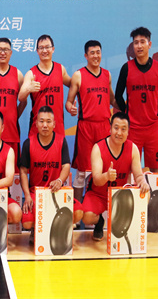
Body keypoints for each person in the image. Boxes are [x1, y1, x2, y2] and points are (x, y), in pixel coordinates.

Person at [114, 27, 158, 225]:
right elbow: (118, 95)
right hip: (133, 129)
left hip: (153, 127)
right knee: (131, 169)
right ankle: (130, 213)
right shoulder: (126, 68)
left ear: (149, 44)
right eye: (136, 42)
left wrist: (156, 110)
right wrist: (127, 115)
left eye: (142, 42)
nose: (139, 46)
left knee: (156, 169)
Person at [74, 112, 150, 241]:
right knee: (87, 217)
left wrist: (142, 181)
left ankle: (127, 225)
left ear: (128, 132)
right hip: (98, 194)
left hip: (120, 195)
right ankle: (99, 222)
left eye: (123, 129)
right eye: (116, 128)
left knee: (145, 193)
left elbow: (138, 175)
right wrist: (107, 176)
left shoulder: (133, 149)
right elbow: (96, 180)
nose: (119, 133)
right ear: (110, 129)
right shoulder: (98, 148)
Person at [65, 40, 115, 206]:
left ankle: (102, 208)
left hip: (104, 127)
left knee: (104, 169)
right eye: (92, 53)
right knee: (82, 171)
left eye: (98, 52)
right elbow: (68, 102)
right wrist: (71, 108)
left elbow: (112, 99)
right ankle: (77, 208)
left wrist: (127, 107)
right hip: (86, 128)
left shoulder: (107, 75)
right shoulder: (78, 75)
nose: (95, 56)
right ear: (86, 56)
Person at [19, 106, 72, 231]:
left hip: (56, 191)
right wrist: (27, 195)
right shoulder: (28, 143)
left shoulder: (61, 141)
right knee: (27, 223)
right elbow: (23, 171)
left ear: (54, 124)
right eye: (41, 121)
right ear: (36, 124)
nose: (45, 125)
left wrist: (59, 180)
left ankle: (56, 232)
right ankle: (36, 231)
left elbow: (66, 166)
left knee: (78, 212)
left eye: (48, 121)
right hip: (35, 192)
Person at [18, 34, 73, 137]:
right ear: (37, 51)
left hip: (57, 126)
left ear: (53, 49)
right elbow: (21, 97)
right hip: (37, 127)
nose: (44, 50)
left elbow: (73, 85)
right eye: (41, 48)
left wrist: (70, 102)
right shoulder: (31, 73)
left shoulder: (60, 69)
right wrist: (29, 88)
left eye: (47, 47)